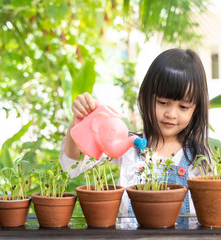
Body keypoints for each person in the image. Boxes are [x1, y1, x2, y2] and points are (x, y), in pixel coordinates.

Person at [60, 48, 211, 214]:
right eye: (162, 102)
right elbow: (73, 162)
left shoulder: (199, 158)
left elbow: (210, 211)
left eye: (183, 107)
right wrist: (78, 119)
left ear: (196, 109)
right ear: (146, 98)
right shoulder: (128, 146)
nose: (171, 114)